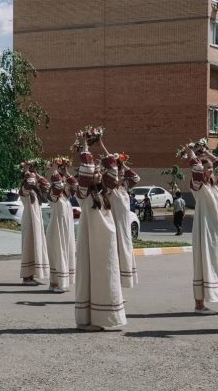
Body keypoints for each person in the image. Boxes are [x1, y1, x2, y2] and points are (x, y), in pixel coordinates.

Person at [75, 135, 126, 331]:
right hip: (91, 244)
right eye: (95, 171)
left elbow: (114, 171)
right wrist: (85, 146)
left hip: (106, 245)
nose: (97, 173)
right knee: (90, 277)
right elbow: (86, 171)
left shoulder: (106, 192)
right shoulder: (83, 192)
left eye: (99, 171)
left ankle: (103, 318)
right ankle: (86, 321)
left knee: (106, 277)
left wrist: (102, 146)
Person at [184, 145, 218, 315]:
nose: (211, 170)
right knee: (202, 263)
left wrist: (208, 154)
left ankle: (205, 302)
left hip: (216, 230)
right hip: (204, 229)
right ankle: (199, 305)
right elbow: (197, 170)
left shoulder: (214, 185)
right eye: (208, 168)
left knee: (214, 263)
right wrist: (192, 154)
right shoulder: (197, 185)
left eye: (211, 168)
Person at [98, 139, 140, 288]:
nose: (122, 177)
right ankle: (112, 288)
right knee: (114, 257)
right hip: (114, 228)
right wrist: (110, 154)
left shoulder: (124, 188)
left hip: (125, 230)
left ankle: (119, 288)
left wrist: (123, 163)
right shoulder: (110, 190)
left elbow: (136, 177)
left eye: (122, 175)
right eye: (120, 175)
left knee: (124, 257)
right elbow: (110, 172)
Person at [46, 157, 78, 293]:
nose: (64, 183)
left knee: (64, 249)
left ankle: (56, 283)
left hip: (65, 227)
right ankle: (56, 283)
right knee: (58, 251)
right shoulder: (53, 195)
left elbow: (75, 185)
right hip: (57, 228)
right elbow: (58, 185)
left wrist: (67, 172)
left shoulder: (66, 198)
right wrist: (54, 170)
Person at [19, 164, 50, 285]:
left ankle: (31, 276)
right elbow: (30, 182)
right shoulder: (24, 191)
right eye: (32, 177)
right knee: (28, 247)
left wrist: (36, 173)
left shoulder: (35, 192)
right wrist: (27, 171)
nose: (35, 179)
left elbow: (47, 185)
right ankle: (26, 277)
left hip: (36, 221)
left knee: (36, 246)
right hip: (29, 221)